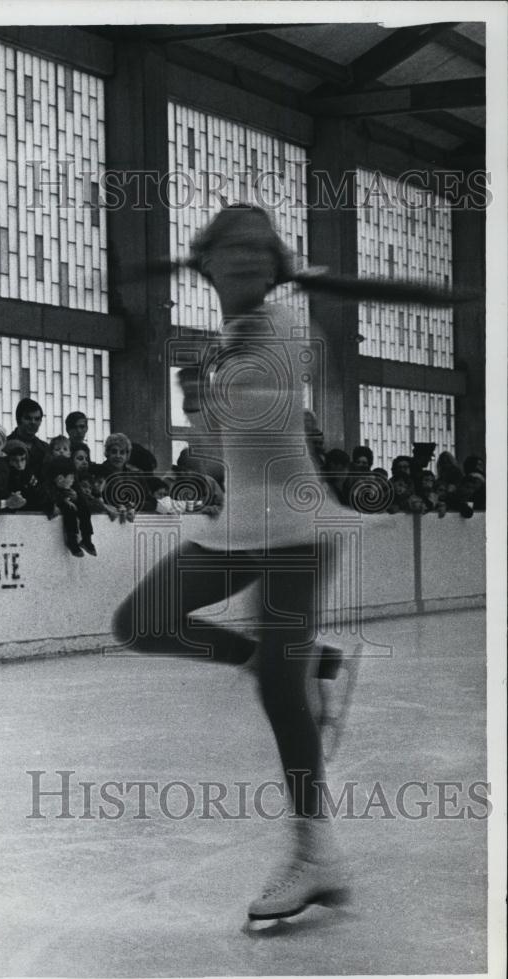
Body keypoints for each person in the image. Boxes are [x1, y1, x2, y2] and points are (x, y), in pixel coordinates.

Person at [112, 204, 368, 922]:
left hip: (297, 523)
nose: (254, 260)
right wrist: (201, 395)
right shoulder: (221, 343)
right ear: (211, 262)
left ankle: (316, 853)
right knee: (141, 622)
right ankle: (296, 659)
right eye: (237, 251)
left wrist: (216, 368)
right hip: (239, 522)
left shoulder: (283, 325)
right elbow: (217, 449)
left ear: (275, 264)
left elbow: (273, 396)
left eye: (266, 251)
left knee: (278, 697)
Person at [43, 455, 96, 557]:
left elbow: (83, 499)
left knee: (84, 507)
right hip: (61, 506)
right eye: (71, 478)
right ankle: (72, 540)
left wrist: (75, 498)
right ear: (60, 479)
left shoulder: (71, 487)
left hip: (67, 501)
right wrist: (62, 501)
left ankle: (87, 538)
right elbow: (46, 499)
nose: (73, 481)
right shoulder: (48, 487)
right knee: (69, 509)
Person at [7, 398, 48, 478]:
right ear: (18, 420)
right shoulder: (4, 445)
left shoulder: (46, 448)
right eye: (28, 418)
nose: (33, 422)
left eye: (37, 419)